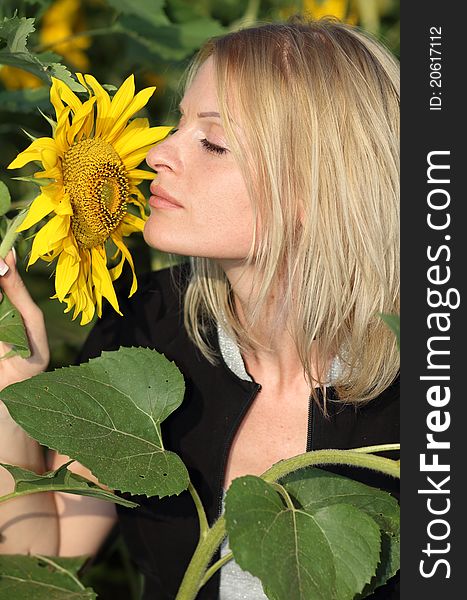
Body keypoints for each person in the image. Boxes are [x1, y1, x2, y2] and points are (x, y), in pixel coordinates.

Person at [0, 17, 400, 600]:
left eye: (212, 142)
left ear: (317, 187)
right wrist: (13, 392)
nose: (157, 153)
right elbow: (49, 557)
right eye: (179, 123)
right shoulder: (150, 329)